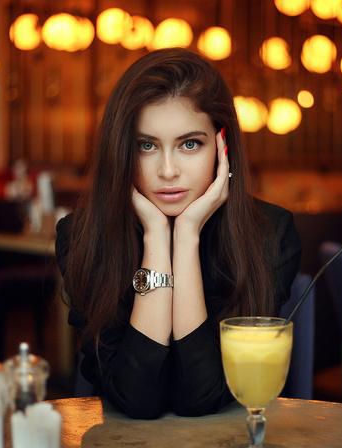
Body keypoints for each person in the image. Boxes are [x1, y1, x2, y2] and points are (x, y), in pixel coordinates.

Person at [55, 48, 301, 419]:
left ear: (221, 146)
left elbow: (200, 397)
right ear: (121, 150)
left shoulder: (269, 234)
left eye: (189, 144)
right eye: (146, 145)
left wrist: (186, 236)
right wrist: (157, 236)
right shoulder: (84, 235)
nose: (167, 171)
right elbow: (136, 399)